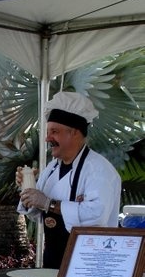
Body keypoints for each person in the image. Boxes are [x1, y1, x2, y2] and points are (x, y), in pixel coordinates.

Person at [17, 91, 121, 268]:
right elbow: (36, 213)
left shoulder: (99, 170)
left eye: (54, 132)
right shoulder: (51, 169)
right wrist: (27, 189)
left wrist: (49, 203)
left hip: (88, 263)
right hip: (53, 259)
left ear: (74, 133)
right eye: (48, 132)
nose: (47, 138)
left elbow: (97, 215)